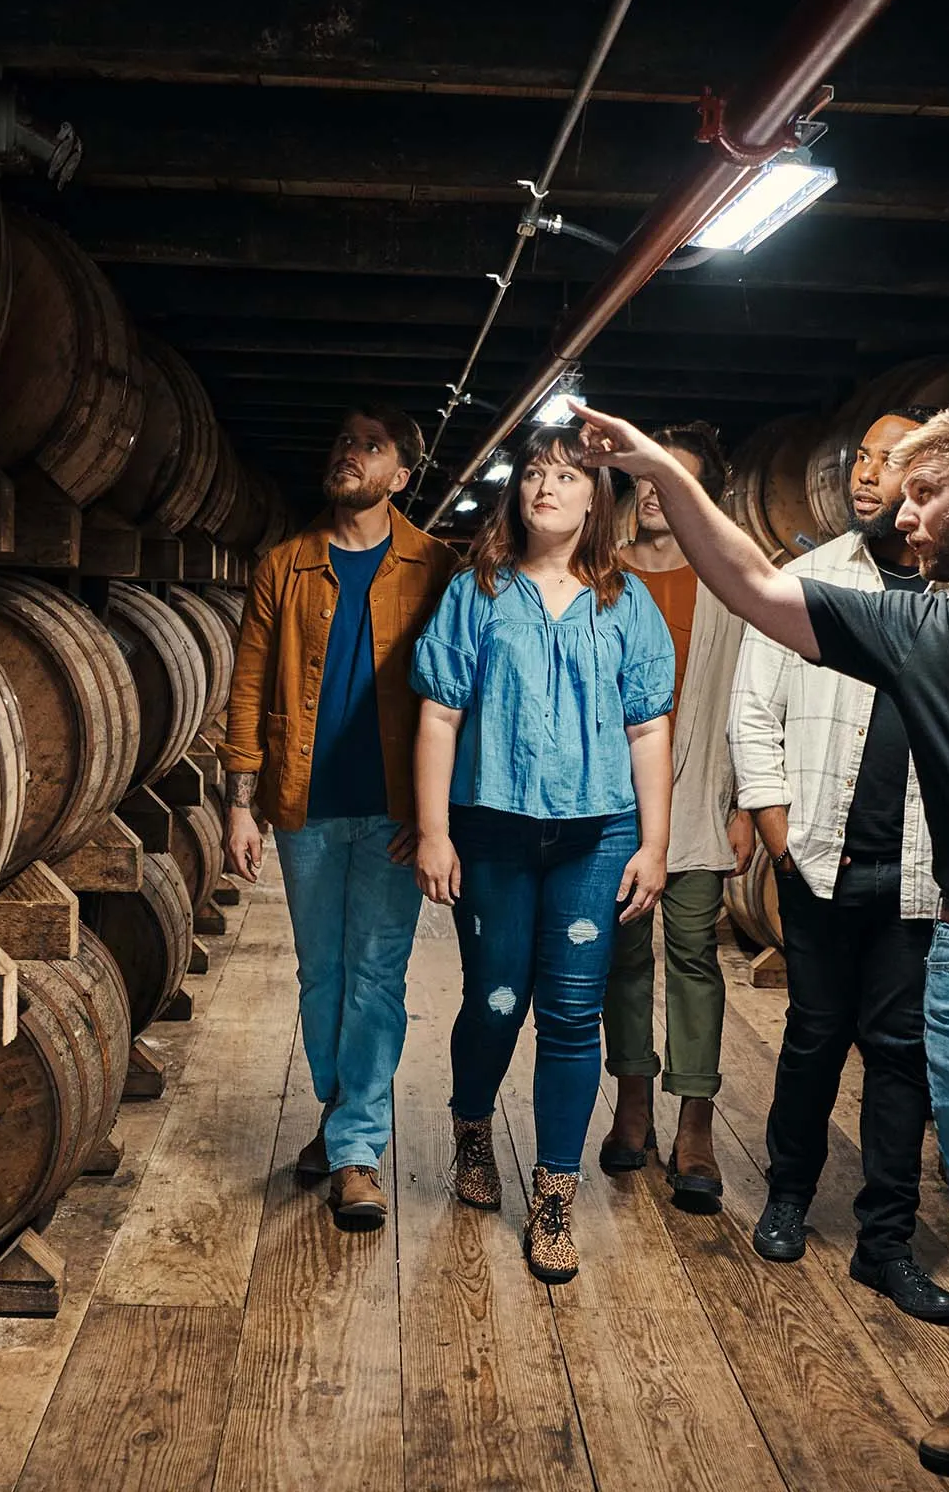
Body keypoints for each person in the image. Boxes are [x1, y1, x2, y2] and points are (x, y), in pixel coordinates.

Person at [572, 397, 949, 1492]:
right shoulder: (918, 629)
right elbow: (751, 581)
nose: (902, 515)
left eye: (925, 493)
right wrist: (658, 471)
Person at [411, 424, 675, 1285]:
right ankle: (472, 1130)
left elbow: (647, 727)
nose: (546, 486)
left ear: (597, 497)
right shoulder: (476, 592)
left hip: (597, 835)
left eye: (567, 475)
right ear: (515, 493)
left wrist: (656, 845)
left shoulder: (625, 601)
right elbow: (441, 715)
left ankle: (555, 1192)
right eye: (533, 472)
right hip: (491, 827)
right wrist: (435, 830)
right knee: (493, 1001)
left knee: (571, 1015)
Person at [728, 408, 949, 1326]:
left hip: (922, 874)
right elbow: (755, 711)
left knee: (903, 1060)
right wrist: (778, 832)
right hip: (818, 857)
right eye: (861, 456)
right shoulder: (809, 579)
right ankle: (789, 1195)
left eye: (889, 461)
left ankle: (886, 1245)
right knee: (815, 1038)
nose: (865, 474)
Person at [220, 405, 458, 1232]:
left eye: (371, 446)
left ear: (401, 475)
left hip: (393, 811)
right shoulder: (285, 566)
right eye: (343, 440)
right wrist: (239, 805)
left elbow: (460, 697)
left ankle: (357, 1151)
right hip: (303, 806)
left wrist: (437, 817)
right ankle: (340, 1107)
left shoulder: (436, 567)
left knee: (376, 977)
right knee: (321, 977)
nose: (348, 454)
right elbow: (248, 685)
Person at [600, 422, 754, 1215]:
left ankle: (695, 1119)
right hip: (611, 806)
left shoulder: (727, 585)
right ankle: (633, 1106)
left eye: (673, 479)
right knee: (622, 958)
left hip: (696, 802)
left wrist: (738, 802)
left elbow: (746, 702)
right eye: (644, 476)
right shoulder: (604, 578)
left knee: (693, 954)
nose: (653, 490)